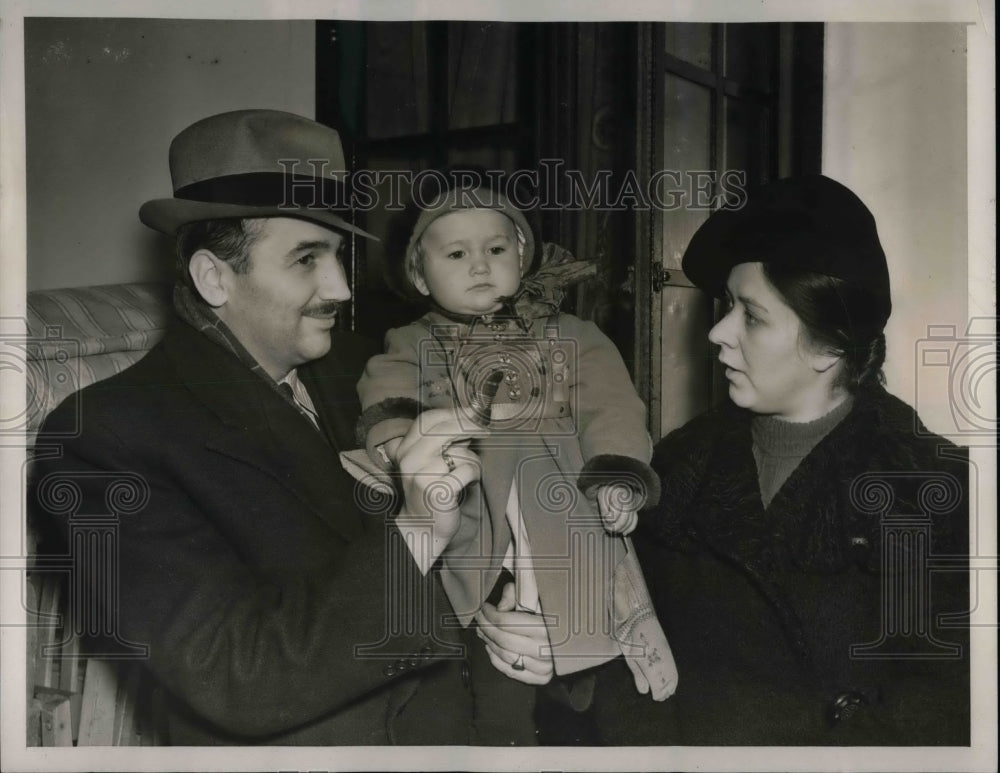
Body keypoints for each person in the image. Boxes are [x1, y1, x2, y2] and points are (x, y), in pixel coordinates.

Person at [28, 109, 549, 745]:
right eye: (306, 259)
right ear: (213, 277)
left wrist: (531, 622)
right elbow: (235, 678)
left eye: (336, 255)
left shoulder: (365, 366)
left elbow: (495, 523)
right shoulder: (102, 438)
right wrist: (414, 528)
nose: (339, 287)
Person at [589, 174, 970, 745]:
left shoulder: (935, 492)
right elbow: (626, 663)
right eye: (725, 308)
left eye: (752, 315)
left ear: (830, 345)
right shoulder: (674, 467)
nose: (718, 332)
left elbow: (945, 706)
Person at [353, 174, 678, 739]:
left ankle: (600, 676)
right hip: (472, 518)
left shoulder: (569, 332)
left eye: (496, 249)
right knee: (482, 661)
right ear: (418, 274)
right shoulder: (412, 342)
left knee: (587, 642)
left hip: (560, 506)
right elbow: (388, 395)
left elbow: (612, 407)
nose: (480, 265)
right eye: (456, 253)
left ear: (522, 256)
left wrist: (617, 476)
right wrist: (396, 442)